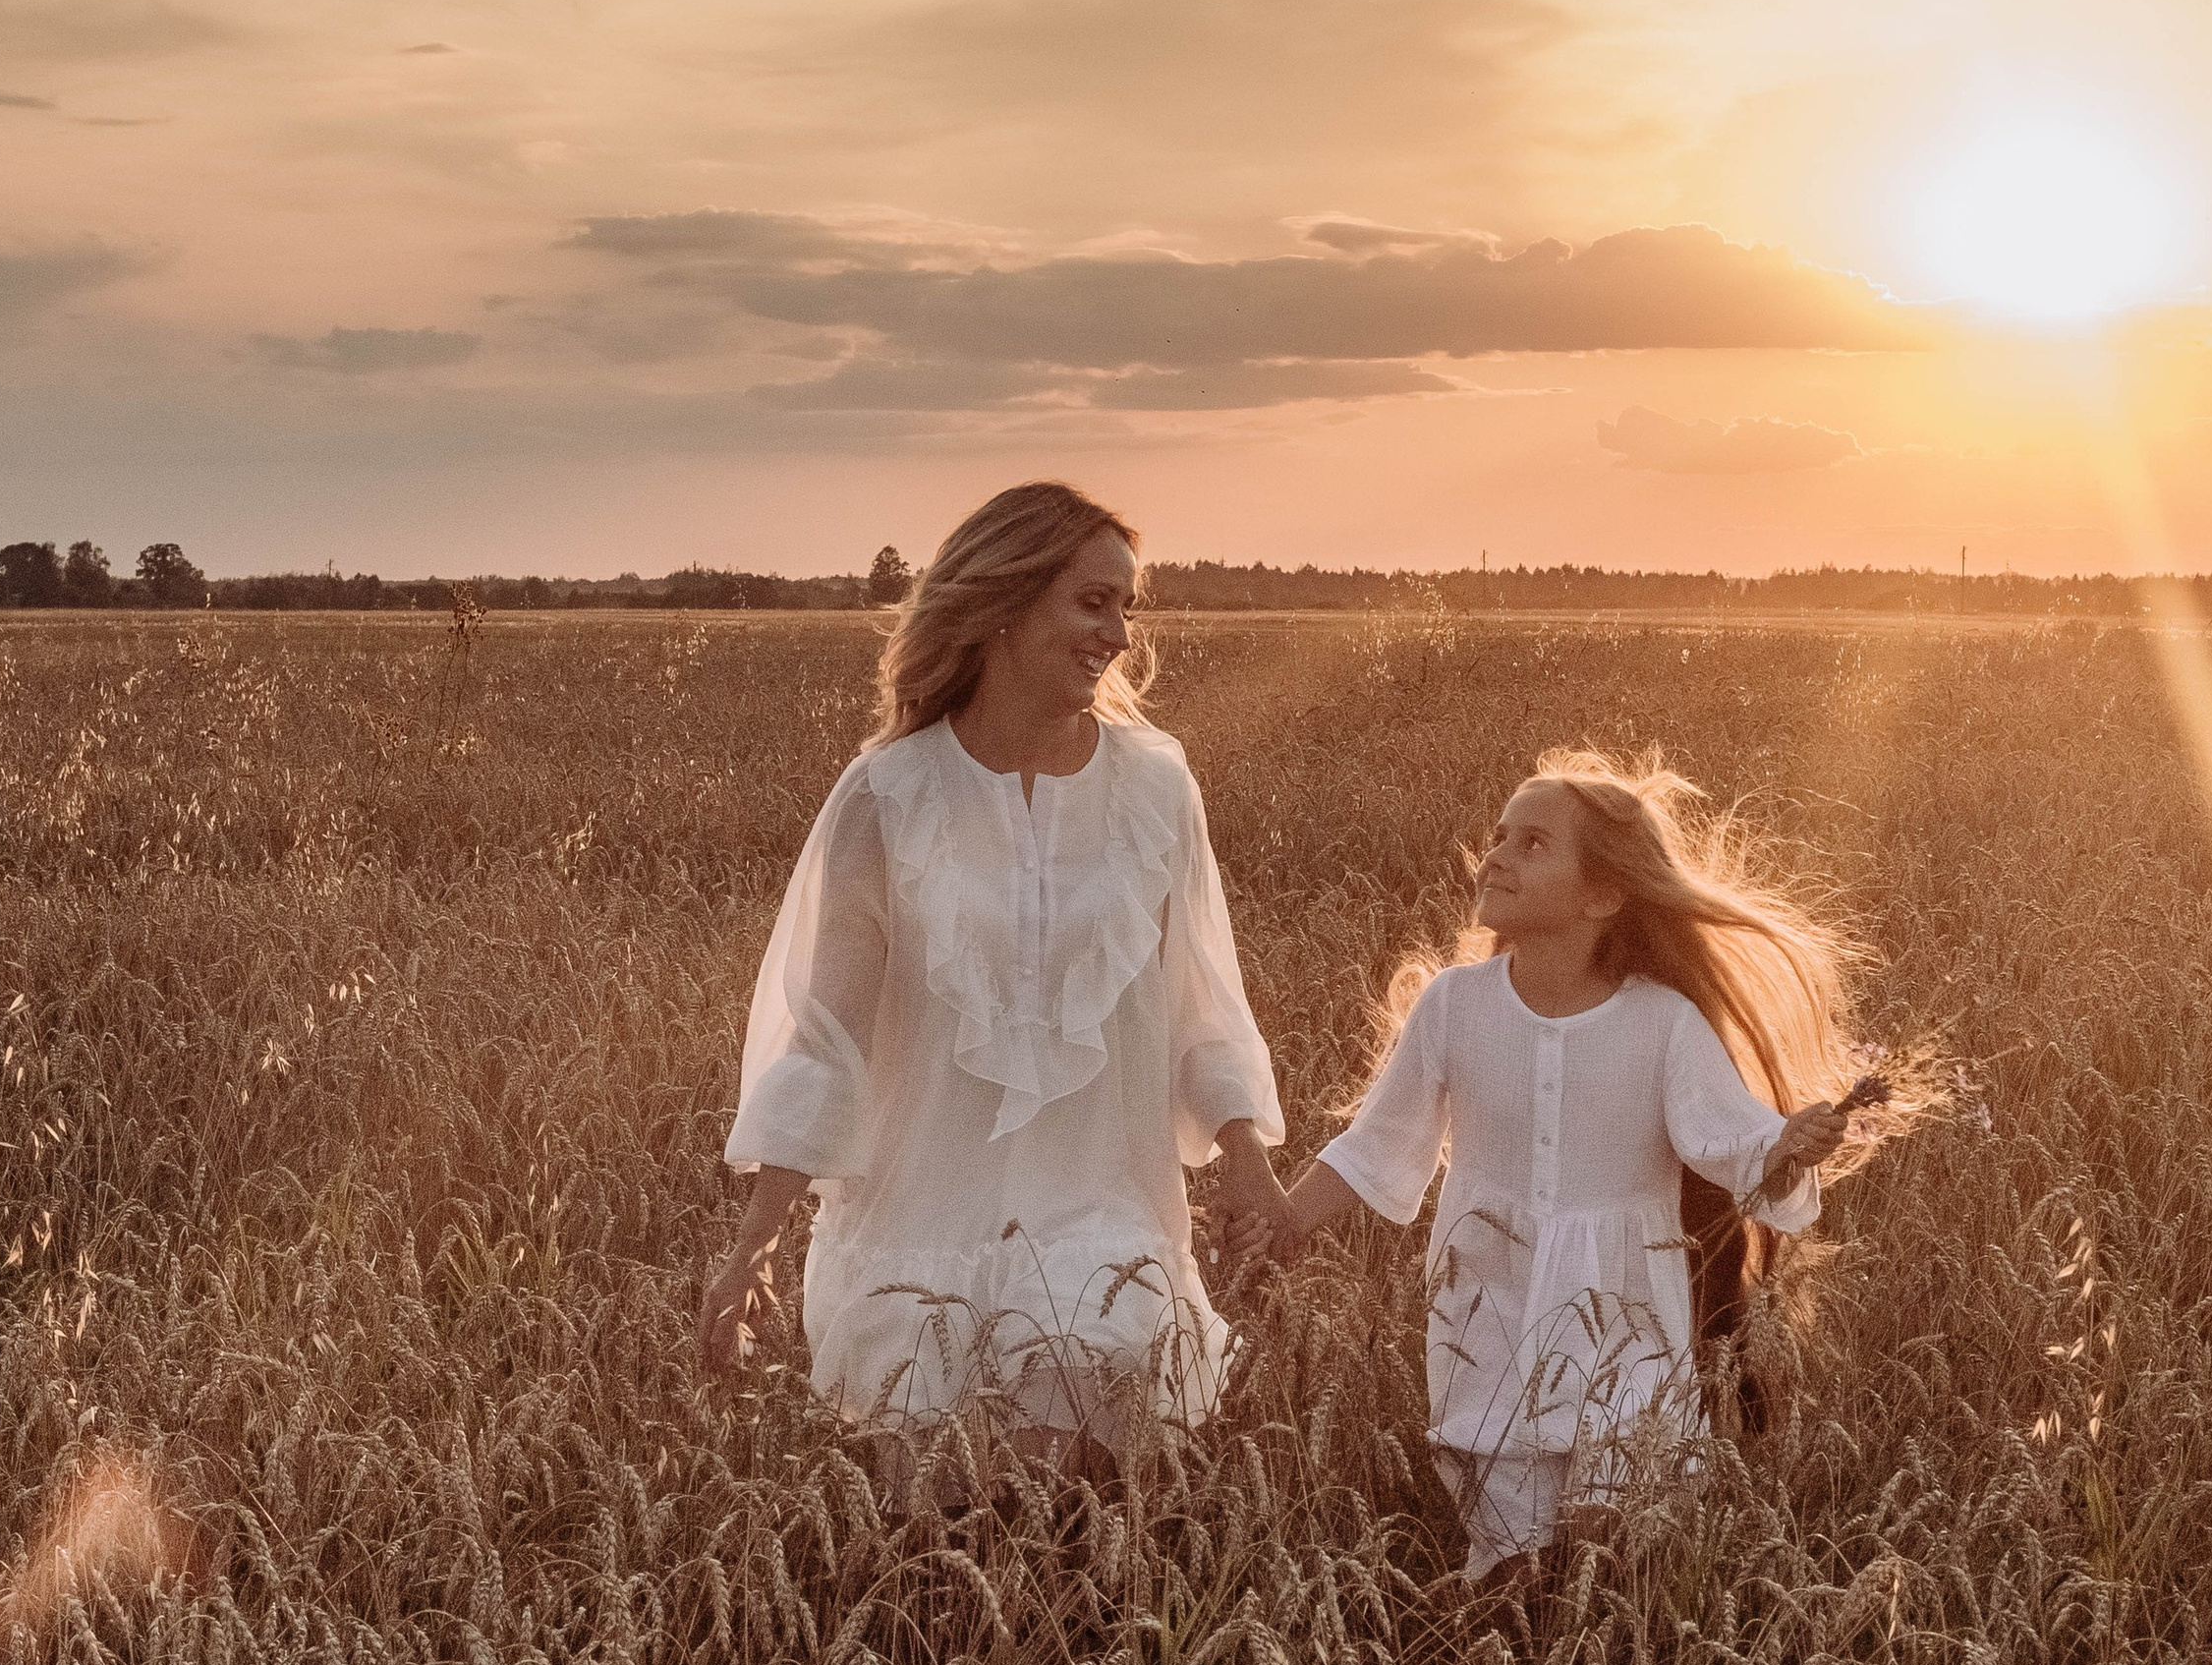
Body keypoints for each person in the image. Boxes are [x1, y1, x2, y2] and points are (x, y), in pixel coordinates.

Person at [701, 482, 1287, 1453]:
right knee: (937, 1570)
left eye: (1125, 607)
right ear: (1006, 603)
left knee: (1097, 1549)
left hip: (1109, 1229)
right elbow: (827, 1040)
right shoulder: (889, 794)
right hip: (915, 1236)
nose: (1118, 634)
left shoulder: (1155, 788)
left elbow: (1202, 1006)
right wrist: (752, 1243)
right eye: (1092, 602)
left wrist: (1251, 1172)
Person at [1268, 750, 1891, 1578]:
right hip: (1487, 1296)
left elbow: (1731, 1142)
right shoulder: (1454, 1005)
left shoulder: (1663, 1023)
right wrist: (1279, 1221)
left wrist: (1785, 1145)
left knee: (1612, 1539)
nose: (1495, 854)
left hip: (1624, 1304)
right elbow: (1379, 1142)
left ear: (1603, 894)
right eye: (1497, 836)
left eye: (1532, 844)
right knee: (1509, 1554)